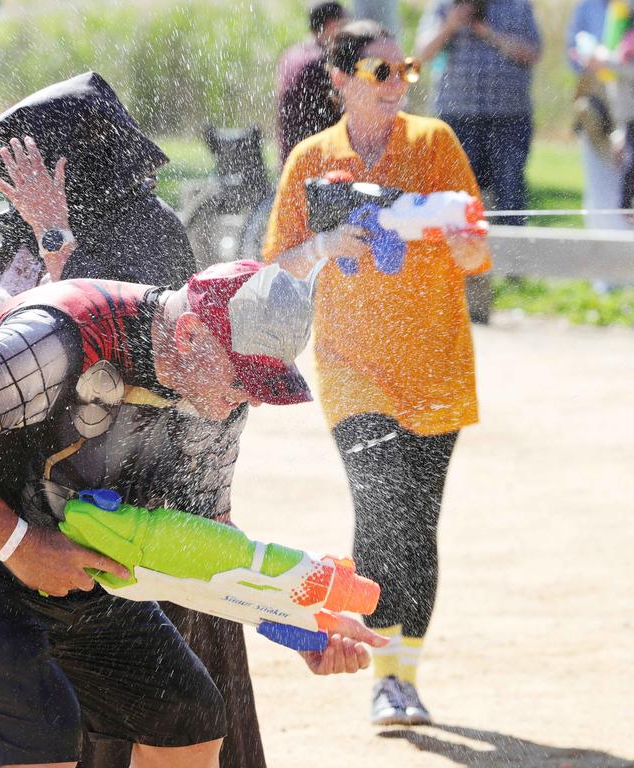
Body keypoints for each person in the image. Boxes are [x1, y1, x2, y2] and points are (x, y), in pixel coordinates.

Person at [0, 251, 384, 768]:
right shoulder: (59, 335)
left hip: (58, 556)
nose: (253, 398)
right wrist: (17, 544)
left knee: (188, 717)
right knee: (41, 733)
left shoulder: (216, 393)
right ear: (192, 333)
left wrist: (299, 619)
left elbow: (208, 541)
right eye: (244, 377)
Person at [0, 71, 265, 768]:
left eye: (25, 161)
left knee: (141, 716)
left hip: (120, 515)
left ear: (70, 162)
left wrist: (53, 231)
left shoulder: (146, 230)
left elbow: (107, 343)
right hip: (22, 508)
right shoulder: (26, 227)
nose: (8, 179)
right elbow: (21, 329)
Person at [261, 20, 492, 728]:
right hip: (352, 368)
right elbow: (277, 265)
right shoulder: (310, 159)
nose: (398, 85)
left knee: (416, 523)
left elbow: (479, 260)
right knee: (383, 510)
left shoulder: (435, 144)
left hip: (437, 366)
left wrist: (462, 246)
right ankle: (384, 681)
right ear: (339, 80)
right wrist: (329, 241)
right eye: (381, 72)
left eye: (406, 71)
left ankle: (403, 672)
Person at [416, 0, 541, 218]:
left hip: (509, 118)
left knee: (510, 195)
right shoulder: (444, 6)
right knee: (454, 199)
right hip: (457, 118)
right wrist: (450, 25)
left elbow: (533, 52)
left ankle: (512, 250)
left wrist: (488, 32)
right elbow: (423, 53)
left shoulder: (517, 5)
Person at [567, 0, 632, 230]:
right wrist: (586, 58)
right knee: (599, 189)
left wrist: (608, 62)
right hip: (601, 108)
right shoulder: (587, 7)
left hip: (627, 109)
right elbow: (572, 56)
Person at [275, 1, 347, 165]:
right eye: (346, 24)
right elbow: (345, 113)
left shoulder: (290, 55)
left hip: (288, 155)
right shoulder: (322, 61)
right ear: (332, 25)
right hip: (316, 160)